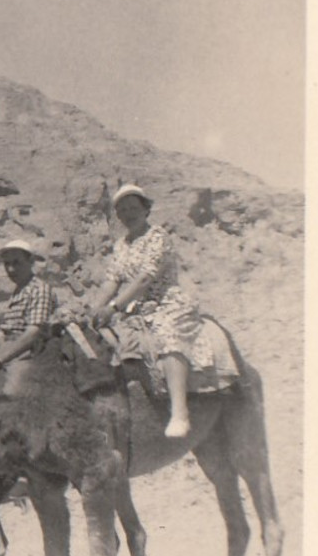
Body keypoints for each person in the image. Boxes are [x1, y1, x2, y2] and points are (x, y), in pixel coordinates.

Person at [90, 184, 221, 439]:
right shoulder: (121, 245)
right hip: (136, 307)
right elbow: (112, 280)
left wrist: (114, 307)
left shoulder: (158, 237)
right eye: (123, 210)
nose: (129, 214)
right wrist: (96, 307)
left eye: (133, 208)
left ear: (146, 209)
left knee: (168, 336)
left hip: (166, 303)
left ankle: (179, 412)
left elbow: (144, 279)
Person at [0, 239, 57, 396]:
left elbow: (33, 334)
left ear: (31, 261)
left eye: (16, 262)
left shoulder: (39, 289)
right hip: (10, 352)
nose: (11, 269)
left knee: (9, 398)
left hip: (29, 356)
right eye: (7, 264)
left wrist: (0, 360)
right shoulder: (20, 290)